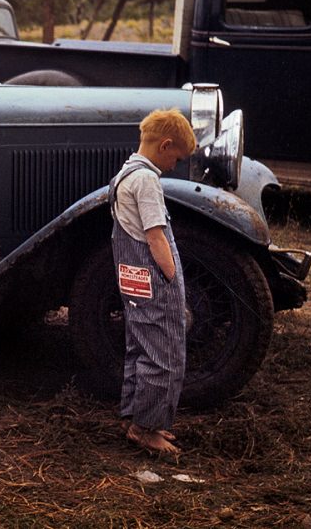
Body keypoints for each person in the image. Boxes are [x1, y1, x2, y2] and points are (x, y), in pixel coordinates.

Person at [108, 108, 196, 455]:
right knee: (165, 353)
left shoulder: (123, 175)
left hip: (133, 279)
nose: (174, 165)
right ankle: (146, 428)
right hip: (154, 280)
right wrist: (172, 279)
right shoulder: (146, 180)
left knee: (140, 346)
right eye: (177, 157)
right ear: (165, 145)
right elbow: (156, 235)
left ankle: (134, 416)